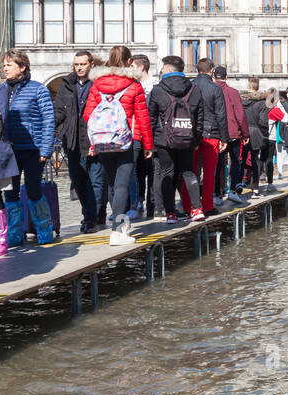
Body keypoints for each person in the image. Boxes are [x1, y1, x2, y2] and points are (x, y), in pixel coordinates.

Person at [83, 46, 153, 246]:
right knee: (123, 184)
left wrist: (92, 141)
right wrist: (148, 145)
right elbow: (142, 117)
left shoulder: (97, 84)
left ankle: (118, 224)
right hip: (128, 140)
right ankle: (117, 231)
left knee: (113, 184)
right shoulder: (134, 84)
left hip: (102, 139)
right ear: (130, 62)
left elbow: (88, 115)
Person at [0, 50, 57, 246]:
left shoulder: (38, 89)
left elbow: (49, 119)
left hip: (32, 149)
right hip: (8, 150)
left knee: (33, 190)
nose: (5, 68)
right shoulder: (0, 90)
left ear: (22, 67)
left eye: (10, 65)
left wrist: (46, 149)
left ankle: (44, 230)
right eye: (4, 65)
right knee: (10, 193)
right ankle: (15, 234)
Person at [146, 55, 206, 222]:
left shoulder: (157, 89)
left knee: (167, 173)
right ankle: (197, 209)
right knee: (189, 172)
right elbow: (200, 117)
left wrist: (149, 143)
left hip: (163, 139)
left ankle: (170, 213)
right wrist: (196, 140)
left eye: (163, 66)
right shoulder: (194, 89)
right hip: (188, 137)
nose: (161, 69)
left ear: (169, 69)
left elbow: (150, 118)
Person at [54, 50, 103, 234]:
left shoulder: (98, 83)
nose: (80, 67)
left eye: (83, 64)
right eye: (77, 64)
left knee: (96, 180)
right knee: (78, 180)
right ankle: (90, 214)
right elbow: (58, 111)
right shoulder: (67, 84)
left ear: (91, 64)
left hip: (93, 139)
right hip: (72, 140)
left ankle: (92, 218)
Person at [191, 59, 227, 212]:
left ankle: (190, 206)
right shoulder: (215, 88)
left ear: (196, 69)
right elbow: (221, 115)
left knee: (191, 172)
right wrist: (224, 138)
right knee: (209, 173)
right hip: (211, 133)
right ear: (211, 70)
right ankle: (207, 205)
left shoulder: (190, 86)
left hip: (192, 134)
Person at [213, 66, 248, 205]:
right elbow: (240, 114)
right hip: (232, 132)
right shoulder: (233, 92)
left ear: (214, 77)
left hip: (216, 133)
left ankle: (217, 194)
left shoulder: (211, 89)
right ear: (226, 77)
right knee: (235, 162)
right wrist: (245, 133)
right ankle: (232, 190)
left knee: (217, 163)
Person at [131, 54, 156, 216]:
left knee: (152, 171)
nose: (130, 70)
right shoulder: (132, 86)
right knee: (136, 170)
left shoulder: (155, 86)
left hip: (151, 134)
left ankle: (152, 205)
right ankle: (138, 201)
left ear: (141, 67)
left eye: (132, 67)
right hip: (136, 134)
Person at [241, 79, 275, 194]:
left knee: (241, 159)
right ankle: (255, 187)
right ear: (258, 87)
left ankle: (238, 185)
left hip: (243, 132)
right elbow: (263, 121)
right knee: (256, 160)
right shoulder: (261, 103)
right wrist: (264, 135)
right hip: (256, 132)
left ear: (248, 86)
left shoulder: (241, 100)